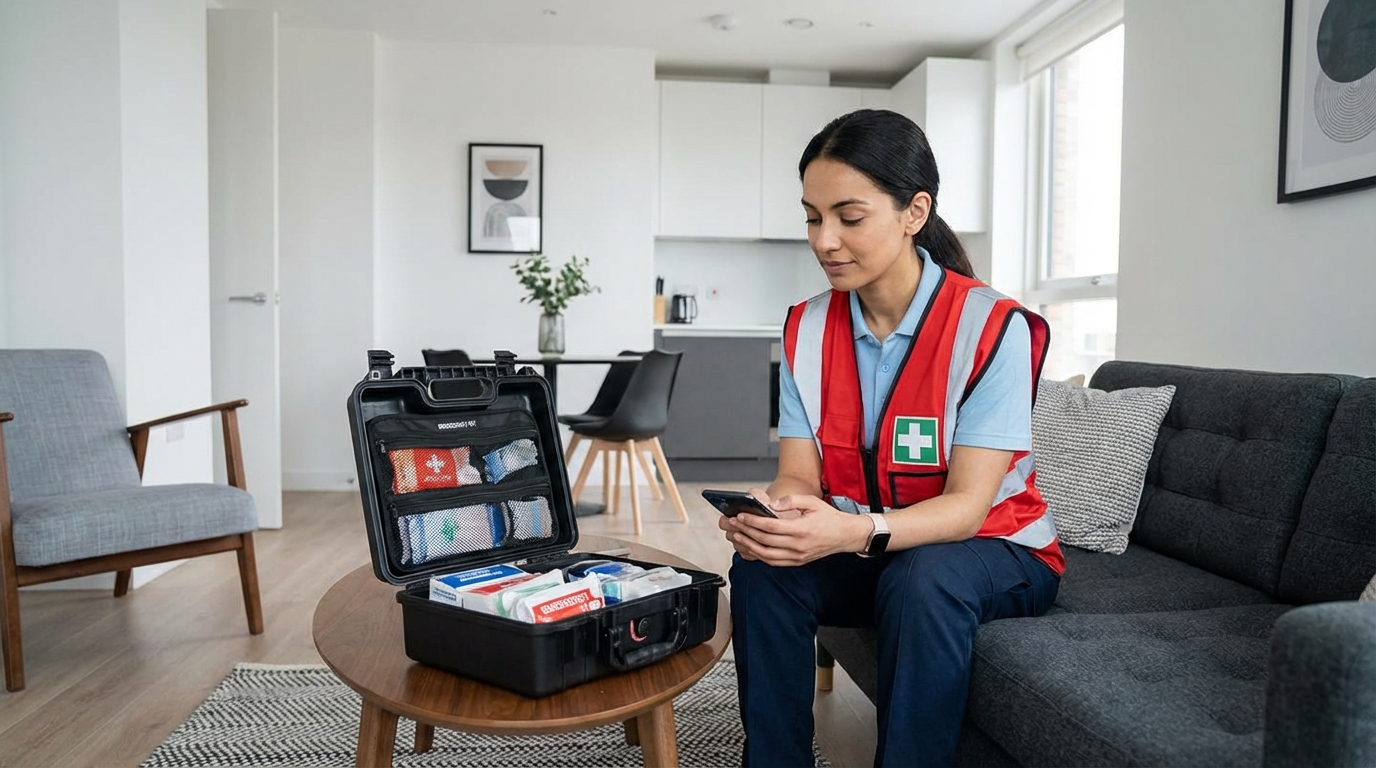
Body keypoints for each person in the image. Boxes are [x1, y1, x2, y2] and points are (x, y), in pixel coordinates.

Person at [721, 109, 1064, 768]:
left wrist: (849, 533)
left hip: (995, 549)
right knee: (764, 564)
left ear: (914, 212)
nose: (825, 240)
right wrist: (782, 516)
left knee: (923, 576)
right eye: (812, 217)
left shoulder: (993, 329)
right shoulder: (807, 329)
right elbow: (800, 473)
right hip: (871, 541)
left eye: (849, 218)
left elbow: (967, 509)